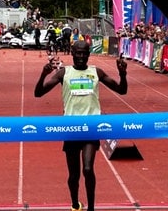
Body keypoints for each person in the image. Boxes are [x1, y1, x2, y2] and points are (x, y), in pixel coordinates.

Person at [34, 41, 127, 211]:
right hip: (71, 129)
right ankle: (75, 203)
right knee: (74, 175)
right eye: (78, 53)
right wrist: (43, 74)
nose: (81, 57)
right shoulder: (64, 73)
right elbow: (38, 93)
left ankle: (91, 207)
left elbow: (122, 90)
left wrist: (123, 74)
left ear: (89, 54)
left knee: (87, 168)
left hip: (91, 129)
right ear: (72, 53)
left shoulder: (96, 72)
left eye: (84, 53)